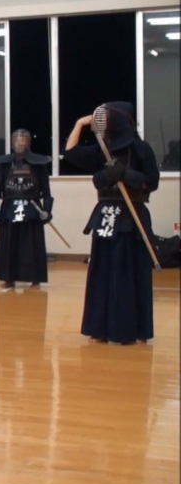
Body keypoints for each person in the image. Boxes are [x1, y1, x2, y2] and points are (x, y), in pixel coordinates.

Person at [61, 102, 160, 345]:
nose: (102, 124)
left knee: (131, 274)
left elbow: (152, 183)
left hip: (132, 216)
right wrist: (80, 123)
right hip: (106, 216)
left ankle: (134, 330)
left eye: (105, 119)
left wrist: (125, 174)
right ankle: (99, 329)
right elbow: (70, 153)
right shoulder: (102, 150)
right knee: (102, 274)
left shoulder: (141, 149)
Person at [0, 129, 52, 289]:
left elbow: (46, 192)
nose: (20, 143)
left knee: (32, 244)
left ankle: (35, 278)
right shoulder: (5, 165)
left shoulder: (38, 164)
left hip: (32, 208)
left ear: (29, 143)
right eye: (17, 140)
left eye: (24, 140)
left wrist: (47, 211)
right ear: (12, 143)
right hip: (9, 208)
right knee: (9, 244)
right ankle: (8, 278)